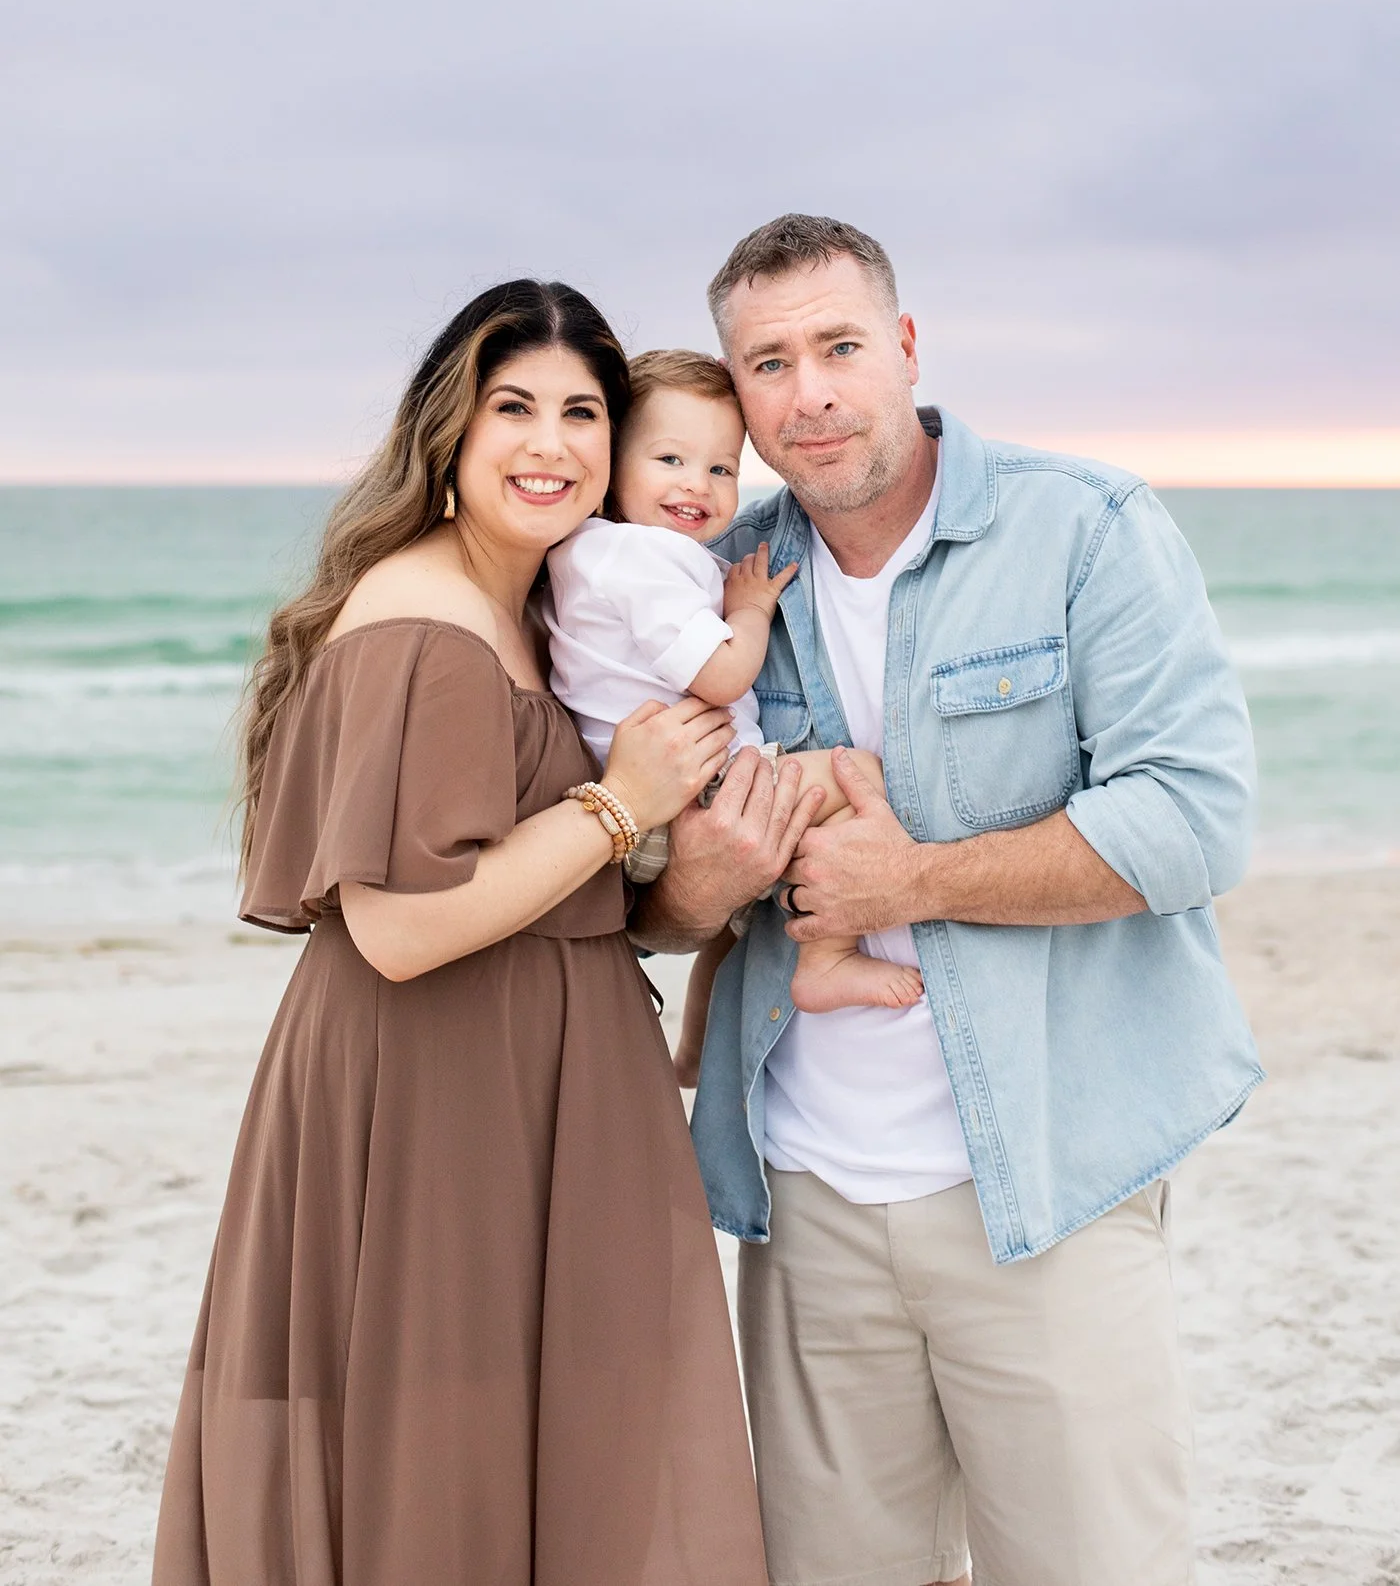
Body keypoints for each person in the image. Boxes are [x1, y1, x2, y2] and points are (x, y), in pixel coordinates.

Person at [632, 215, 1262, 1586]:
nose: (809, 393)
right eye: (769, 363)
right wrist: (707, 875)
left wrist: (911, 879)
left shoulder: (1083, 528)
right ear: (735, 396)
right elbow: (651, 909)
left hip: (1045, 1186)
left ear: (905, 348)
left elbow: (1197, 818)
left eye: (840, 347)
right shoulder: (713, 588)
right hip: (805, 1207)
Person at [152, 280, 770, 1586]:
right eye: (514, 408)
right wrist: (623, 802)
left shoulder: (543, 605)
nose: (550, 444)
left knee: (539, 1448)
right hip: (434, 1093)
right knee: (438, 1461)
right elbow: (401, 928)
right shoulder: (422, 620)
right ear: (451, 429)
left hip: (535, 1079)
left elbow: (547, 884)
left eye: (582, 414)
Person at [545, 347, 921, 1087]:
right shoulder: (639, 558)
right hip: (697, 790)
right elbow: (719, 676)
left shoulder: (590, 551)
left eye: (722, 468)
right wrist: (747, 612)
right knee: (859, 774)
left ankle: (694, 1051)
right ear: (610, 464)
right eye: (670, 459)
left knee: (740, 927)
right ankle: (827, 957)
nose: (698, 484)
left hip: (653, 807)